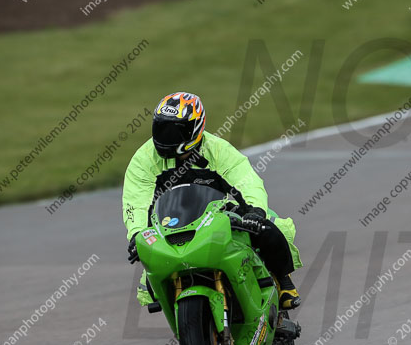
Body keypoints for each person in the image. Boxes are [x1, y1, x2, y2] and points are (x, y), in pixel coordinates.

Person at [122, 92, 302, 309]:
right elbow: (136, 200)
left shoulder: (218, 150)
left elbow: (246, 180)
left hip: (218, 216)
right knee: (150, 280)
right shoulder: (143, 159)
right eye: (161, 128)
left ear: (195, 129)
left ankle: (283, 280)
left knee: (269, 227)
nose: (166, 137)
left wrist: (255, 211)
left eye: (175, 131)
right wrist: (137, 233)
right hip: (169, 223)